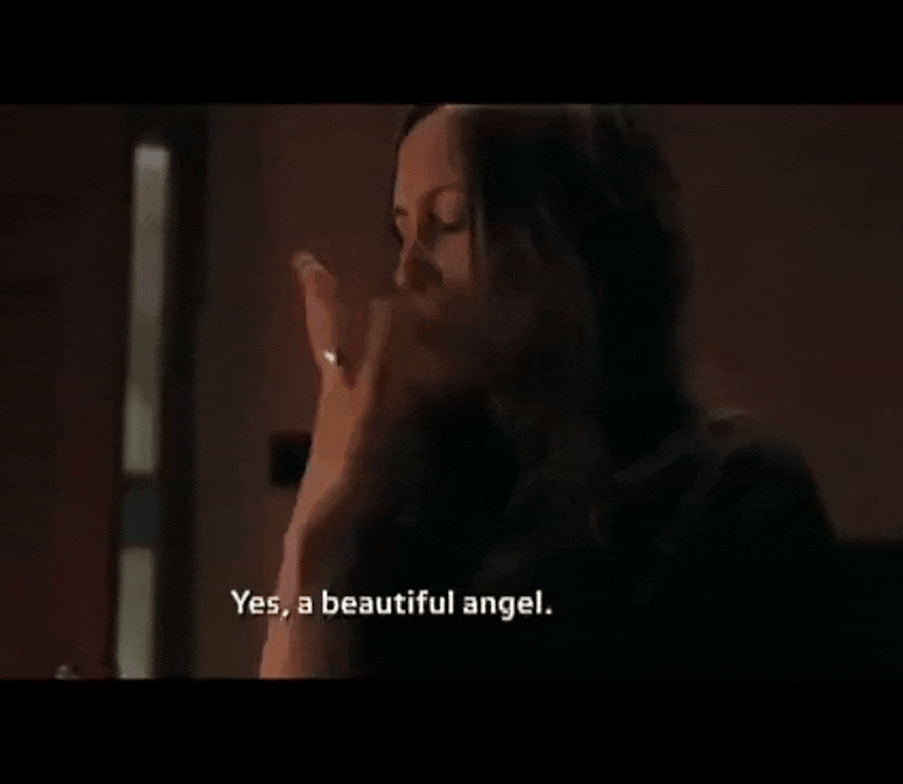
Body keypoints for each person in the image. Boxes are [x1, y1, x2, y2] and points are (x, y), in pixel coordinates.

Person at [259, 104, 894, 679]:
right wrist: (324, 519)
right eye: (403, 231)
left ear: (571, 239)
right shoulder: (420, 499)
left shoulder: (730, 492)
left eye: (450, 220)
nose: (407, 271)